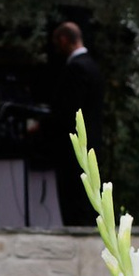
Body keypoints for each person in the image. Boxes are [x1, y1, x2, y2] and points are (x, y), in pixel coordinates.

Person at [40, 16, 106, 227]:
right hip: (93, 143)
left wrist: (44, 125)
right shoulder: (92, 66)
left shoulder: (76, 68)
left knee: (75, 204)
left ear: (63, 40)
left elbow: (68, 110)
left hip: (75, 149)